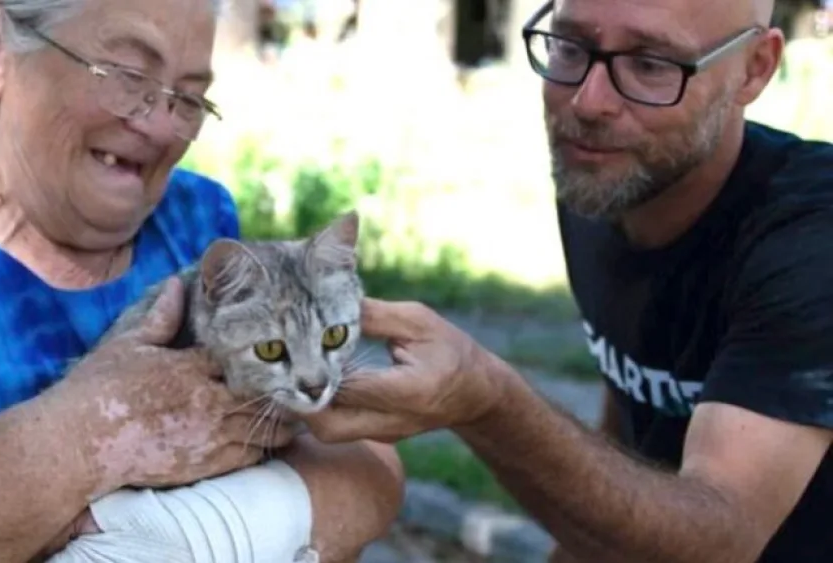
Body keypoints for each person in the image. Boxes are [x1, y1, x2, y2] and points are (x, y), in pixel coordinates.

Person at [0, 0, 403, 561]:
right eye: (128, 75)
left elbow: (356, 472)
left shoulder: (198, 220)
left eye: (189, 96)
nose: (161, 127)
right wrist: (87, 436)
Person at [302, 0, 833, 561]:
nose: (588, 102)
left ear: (754, 68)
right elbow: (630, 415)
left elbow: (723, 541)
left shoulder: (810, 239)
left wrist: (487, 402)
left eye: (650, 64)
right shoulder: (610, 175)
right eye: (572, 47)